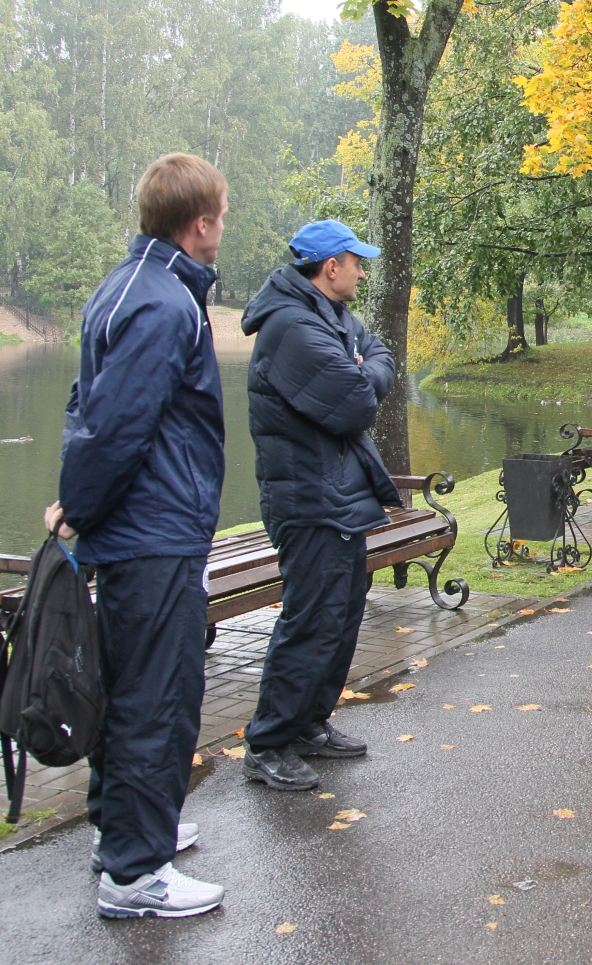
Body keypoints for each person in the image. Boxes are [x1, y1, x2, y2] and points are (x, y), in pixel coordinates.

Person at [46, 152, 228, 918]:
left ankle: (123, 832)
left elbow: (85, 409)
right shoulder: (163, 304)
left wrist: (76, 504)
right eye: (221, 215)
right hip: (153, 534)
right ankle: (134, 873)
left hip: (141, 528)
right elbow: (115, 426)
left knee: (130, 693)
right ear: (200, 225)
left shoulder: (127, 288)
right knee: (157, 697)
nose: (224, 228)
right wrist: (77, 509)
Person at [238, 219, 400, 793]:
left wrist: (364, 365)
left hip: (338, 494)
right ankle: (268, 742)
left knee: (341, 614)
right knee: (311, 619)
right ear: (330, 266)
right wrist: (362, 371)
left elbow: (380, 354)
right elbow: (356, 404)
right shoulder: (291, 328)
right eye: (357, 261)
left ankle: (309, 722)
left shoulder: (330, 317)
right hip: (308, 498)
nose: (362, 270)